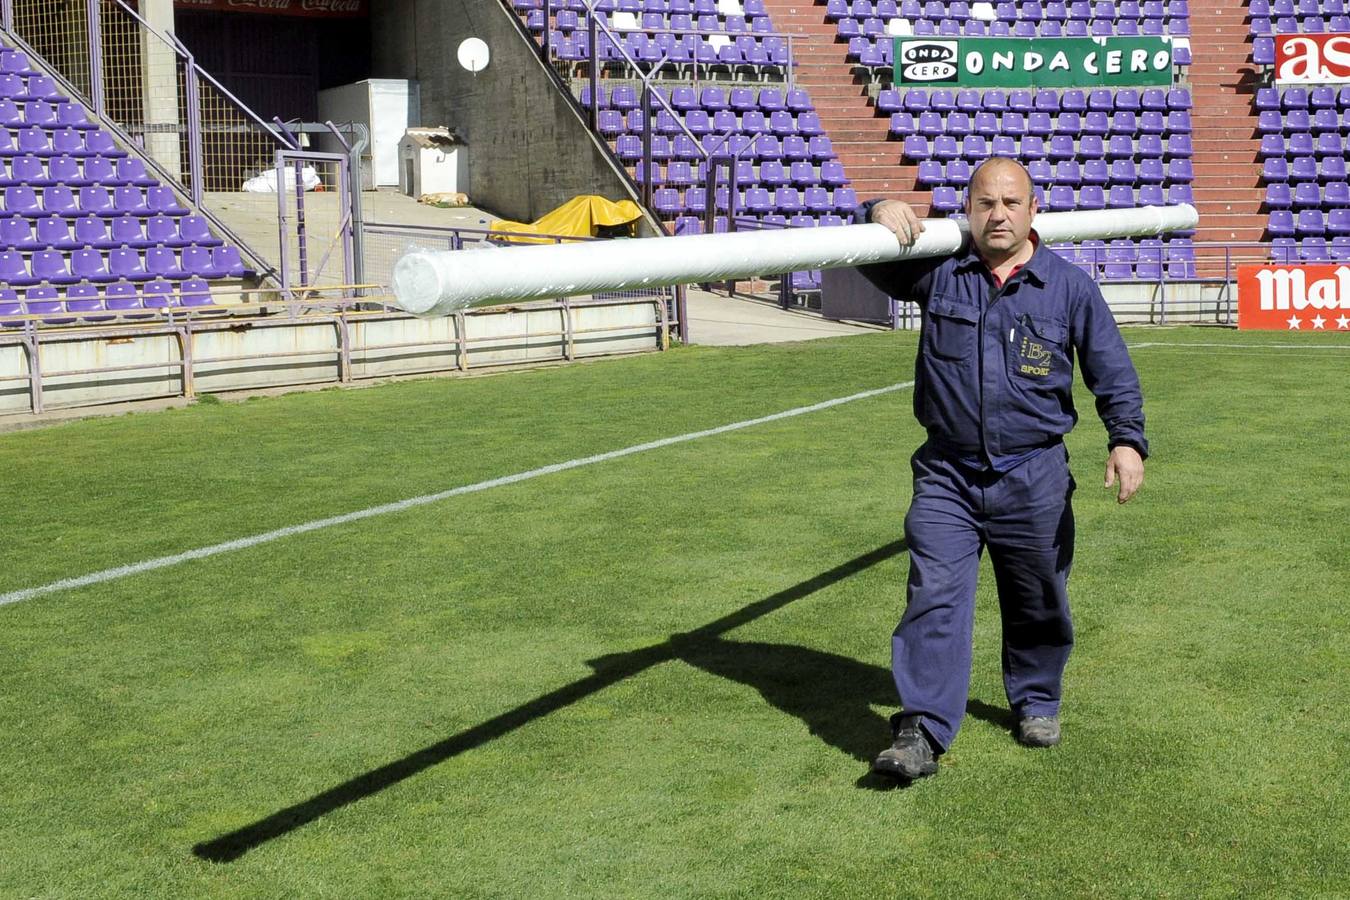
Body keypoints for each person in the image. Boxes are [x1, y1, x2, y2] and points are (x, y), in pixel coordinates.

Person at [855, 158, 1148, 781]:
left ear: (1033, 210)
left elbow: (1112, 370)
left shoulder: (1069, 287)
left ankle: (1037, 700)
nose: (998, 214)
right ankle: (921, 730)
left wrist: (1127, 441)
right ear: (968, 208)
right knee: (932, 596)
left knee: (1037, 595)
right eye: (985, 203)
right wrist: (876, 213)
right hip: (947, 474)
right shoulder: (939, 272)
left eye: (1011, 203)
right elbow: (867, 257)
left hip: (1033, 472)